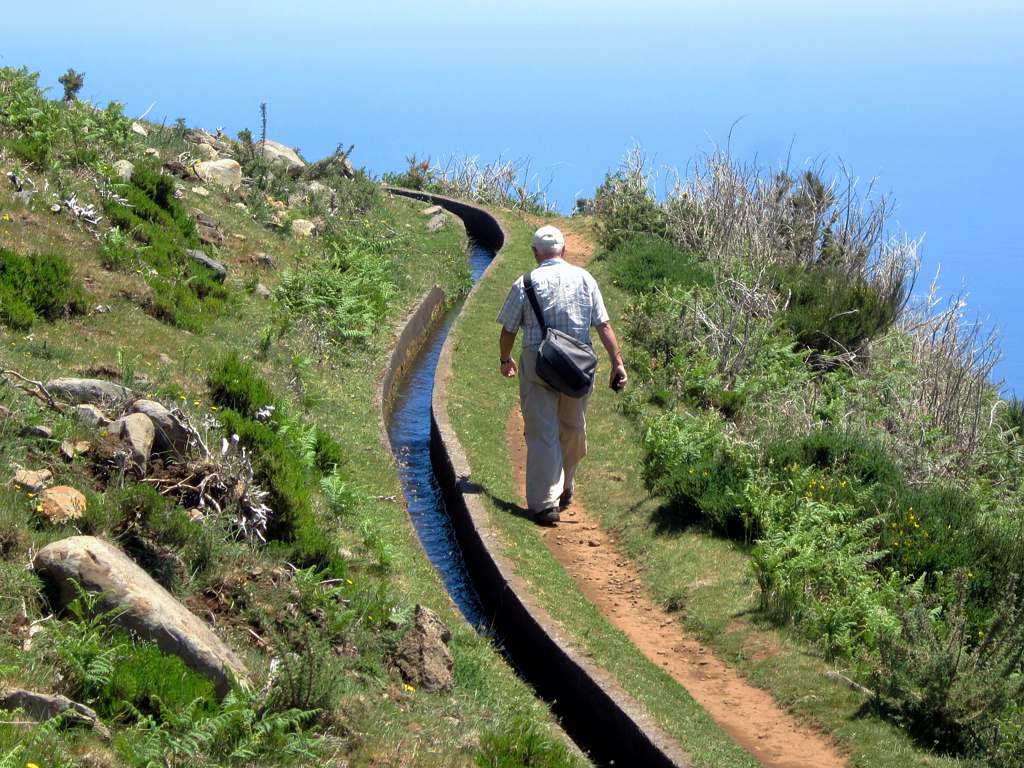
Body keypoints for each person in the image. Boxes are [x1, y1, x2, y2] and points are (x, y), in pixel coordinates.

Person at [496, 225, 627, 525]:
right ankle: (566, 485)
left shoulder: (525, 282)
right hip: (577, 365)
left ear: (534, 253)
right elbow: (603, 325)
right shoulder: (585, 279)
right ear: (564, 251)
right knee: (572, 428)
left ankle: (544, 504)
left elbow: (508, 329)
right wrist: (617, 362)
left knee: (542, 431)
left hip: (538, 360)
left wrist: (505, 359)